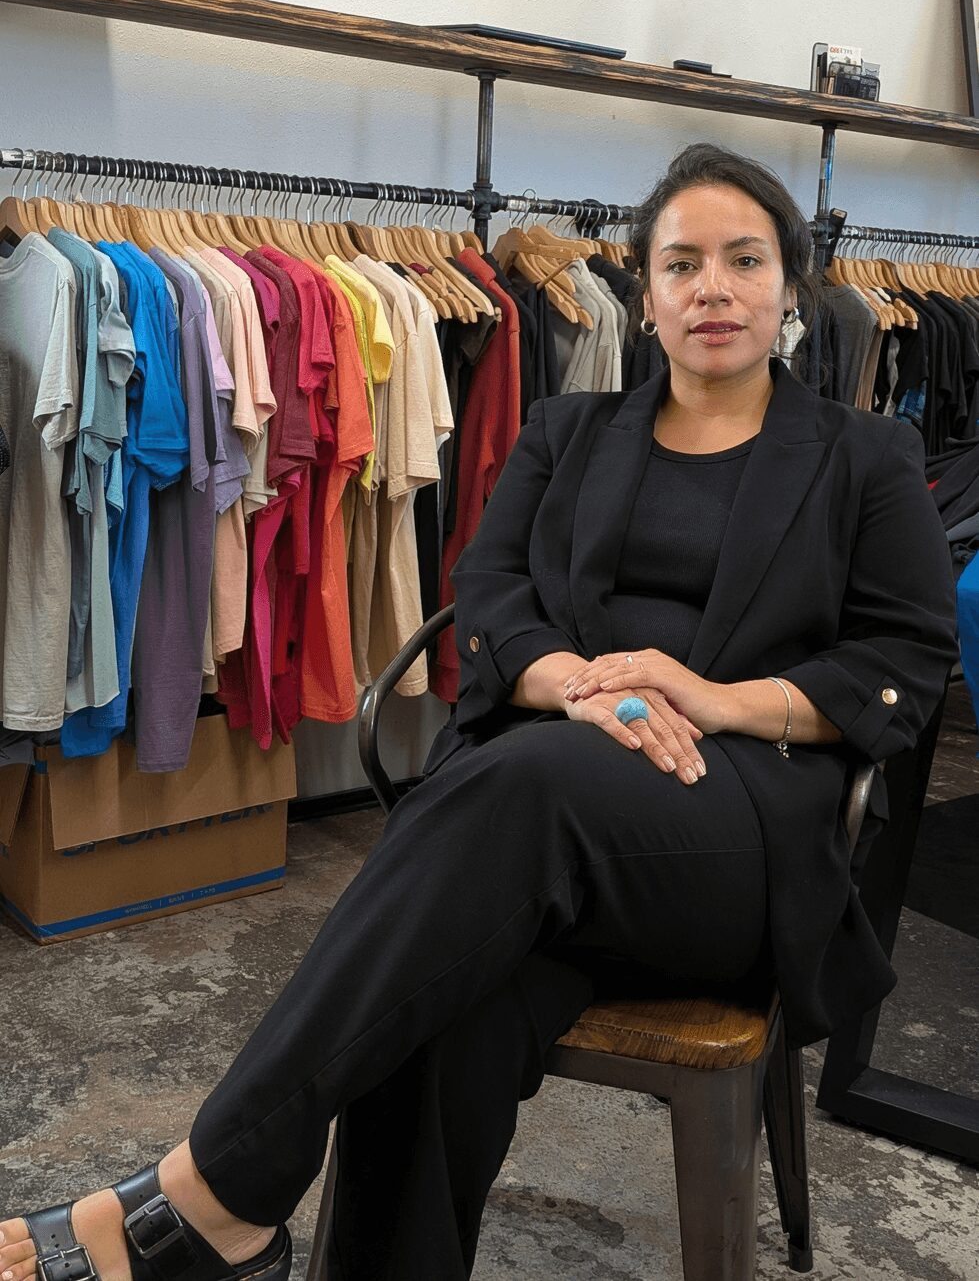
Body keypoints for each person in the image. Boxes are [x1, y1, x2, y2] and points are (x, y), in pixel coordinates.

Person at [0, 144, 958, 1281]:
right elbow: (491, 599)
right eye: (682, 263)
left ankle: (212, 1191)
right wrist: (577, 686)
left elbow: (906, 659)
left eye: (745, 260)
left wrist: (710, 697)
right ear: (643, 297)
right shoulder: (568, 434)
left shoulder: (866, 457)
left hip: (737, 825)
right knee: (440, 1001)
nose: (714, 287)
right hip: (546, 812)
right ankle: (247, 1223)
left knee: (508, 790)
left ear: (789, 288)